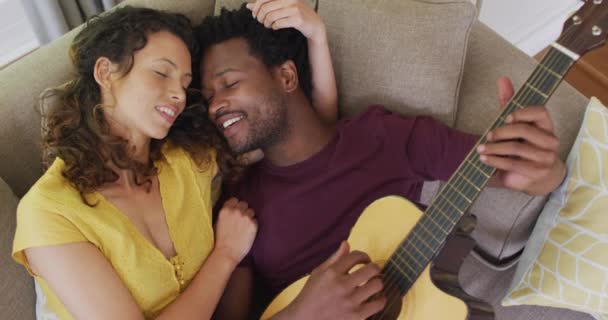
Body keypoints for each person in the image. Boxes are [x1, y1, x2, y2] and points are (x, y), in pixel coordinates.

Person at [195, 4, 568, 320]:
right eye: (209, 96)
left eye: (229, 84)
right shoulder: (239, 204)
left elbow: (519, 173)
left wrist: (542, 166)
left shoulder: (382, 136)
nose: (215, 106)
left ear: (287, 76)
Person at [11, 2, 338, 319]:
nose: (179, 95)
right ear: (105, 72)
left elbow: (299, 134)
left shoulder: (186, 160)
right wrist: (225, 254)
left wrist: (317, 37)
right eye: (161, 73)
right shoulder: (49, 211)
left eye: (184, 82)